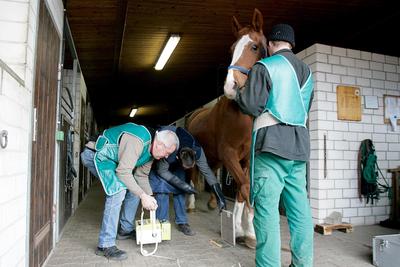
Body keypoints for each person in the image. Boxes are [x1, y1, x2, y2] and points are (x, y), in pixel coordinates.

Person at [232, 24, 314, 266]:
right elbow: (303, 108)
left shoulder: (265, 66)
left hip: (271, 146)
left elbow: (251, 105)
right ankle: (302, 263)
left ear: (270, 45)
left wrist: (240, 90)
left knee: (267, 210)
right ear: (291, 44)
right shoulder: (307, 72)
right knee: (299, 210)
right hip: (299, 147)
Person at [80, 122, 179, 261]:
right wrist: (143, 195)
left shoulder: (152, 153)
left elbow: (141, 176)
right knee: (117, 191)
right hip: (97, 155)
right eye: (167, 153)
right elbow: (123, 172)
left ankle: (125, 230)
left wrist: (149, 196)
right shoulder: (138, 139)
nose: (166, 156)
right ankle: (105, 245)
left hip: (112, 161)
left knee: (135, 190)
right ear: (159, 144)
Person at [149, 126, 226, 236]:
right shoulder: (169, 148)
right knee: (161, 188)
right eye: (185, 167)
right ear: (179, 157)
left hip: (178, 160)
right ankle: (162, 222)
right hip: (165, 161)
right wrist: (183, 185)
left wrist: (219, 195)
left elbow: (207, 172)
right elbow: (162, 171)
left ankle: (182, 222)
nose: (186, 169)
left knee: (180, 191)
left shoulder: (197, 150)